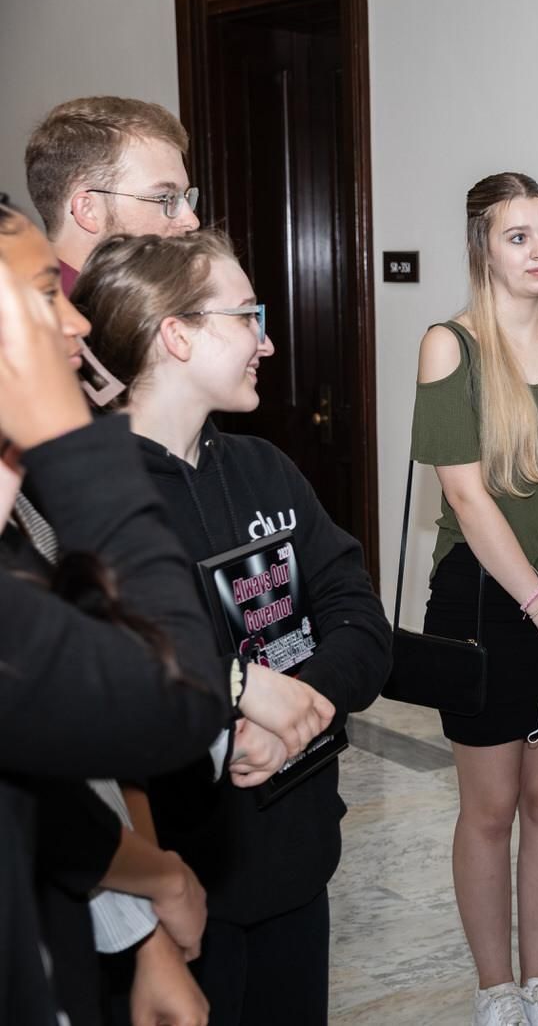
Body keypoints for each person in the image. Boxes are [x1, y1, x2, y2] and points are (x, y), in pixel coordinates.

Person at [0, 214, 328, 1024]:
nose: (76, 321)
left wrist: (149, 886)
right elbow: (167, 702)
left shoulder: (258, 466)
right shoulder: (64, 498)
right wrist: (74, 444)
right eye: (48, 293)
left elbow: (42, 784)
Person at [76, 228, 388, 1025]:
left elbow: (358, 619)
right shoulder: (89, 501)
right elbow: (106, 685)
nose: (268, 339)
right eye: (247, 315)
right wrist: (239, 711)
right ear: (175, 334)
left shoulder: (266, 469)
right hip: (176, 894)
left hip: (297, 864)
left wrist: (299, 709)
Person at [411, 172, 538, 1026]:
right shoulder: (449, 346)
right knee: (491, 808)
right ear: (482, 248)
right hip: (489, 602)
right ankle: (496, 990)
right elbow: (466, 498)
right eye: (517, 235)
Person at [25, 96, 199, 293]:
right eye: (165, 198)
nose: (192, 221)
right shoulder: (41, 320)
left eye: (184, 197)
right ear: (88, 210)